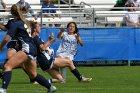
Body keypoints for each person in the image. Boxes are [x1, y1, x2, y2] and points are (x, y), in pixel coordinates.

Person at [0, 4, 56, 93]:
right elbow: (6, 28)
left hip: (26, 49)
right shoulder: (23, 21)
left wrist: (0, 46)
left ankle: (3, 89)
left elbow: (6, 38)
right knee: (33, 74)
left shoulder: (15, 23)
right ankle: (50, 87)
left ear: (11, 12)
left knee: (8, 66)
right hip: (32, 49)